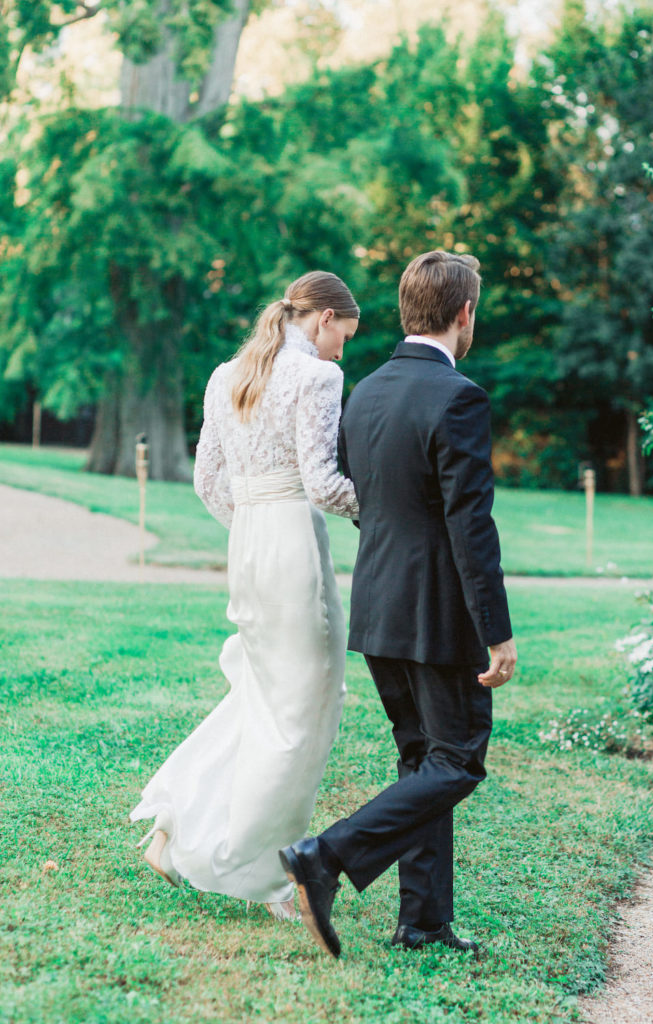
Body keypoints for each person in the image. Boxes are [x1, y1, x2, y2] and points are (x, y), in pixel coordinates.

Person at [280, 250, 517, 955]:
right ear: (464, 312)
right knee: (457, 760)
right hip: (436, 616)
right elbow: (470, 526)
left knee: (422, 762)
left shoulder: (366, 391)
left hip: (378, 606)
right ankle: (325, 855)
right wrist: (496, 631)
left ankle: (422, 921)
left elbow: (370, 499)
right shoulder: (459, 397)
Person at [131, 271, 360, 921]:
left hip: (249, 546)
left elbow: (208, 483)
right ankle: (269, 871)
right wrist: (385, 509)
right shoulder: (318, 378)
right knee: (304, 710)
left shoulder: (224, 376)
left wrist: (253, 525)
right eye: (344, 334)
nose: (341, 348)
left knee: (262, 695)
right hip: (292, 547)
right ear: (322, 318)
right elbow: (323, 485)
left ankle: (174, 824)